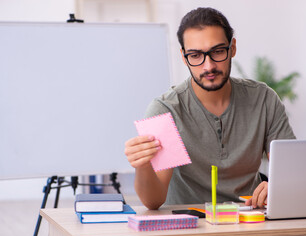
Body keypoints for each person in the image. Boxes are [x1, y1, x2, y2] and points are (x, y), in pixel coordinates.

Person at [124, 7, 295, 210]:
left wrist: (278, 185)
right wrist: (142, 166)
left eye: (217, 51)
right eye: (195, 55)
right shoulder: (165, 110)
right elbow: (153, 201)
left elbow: (292, 170)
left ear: (232, 48)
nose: (208, 66)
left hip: (250, 218)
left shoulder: (264, 99)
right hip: (189, 223)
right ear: (183, 56)